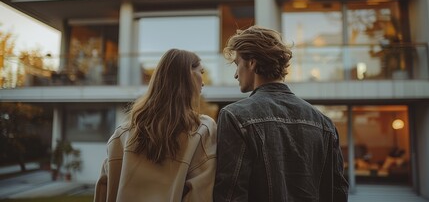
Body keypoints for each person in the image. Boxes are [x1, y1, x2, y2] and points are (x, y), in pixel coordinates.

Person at [213, 26, 349, 202]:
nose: (235, 74)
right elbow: (337, 193)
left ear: (252, 62)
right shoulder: (324, 123)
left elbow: (230, 195)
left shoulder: (234, 116)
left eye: (237, 63)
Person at [94, 49, 217, 202]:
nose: (203, 81)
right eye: (201, 72)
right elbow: (199, 195)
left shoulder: (122, 135)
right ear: (188, 75)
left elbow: (104, 191)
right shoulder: (203, 130)